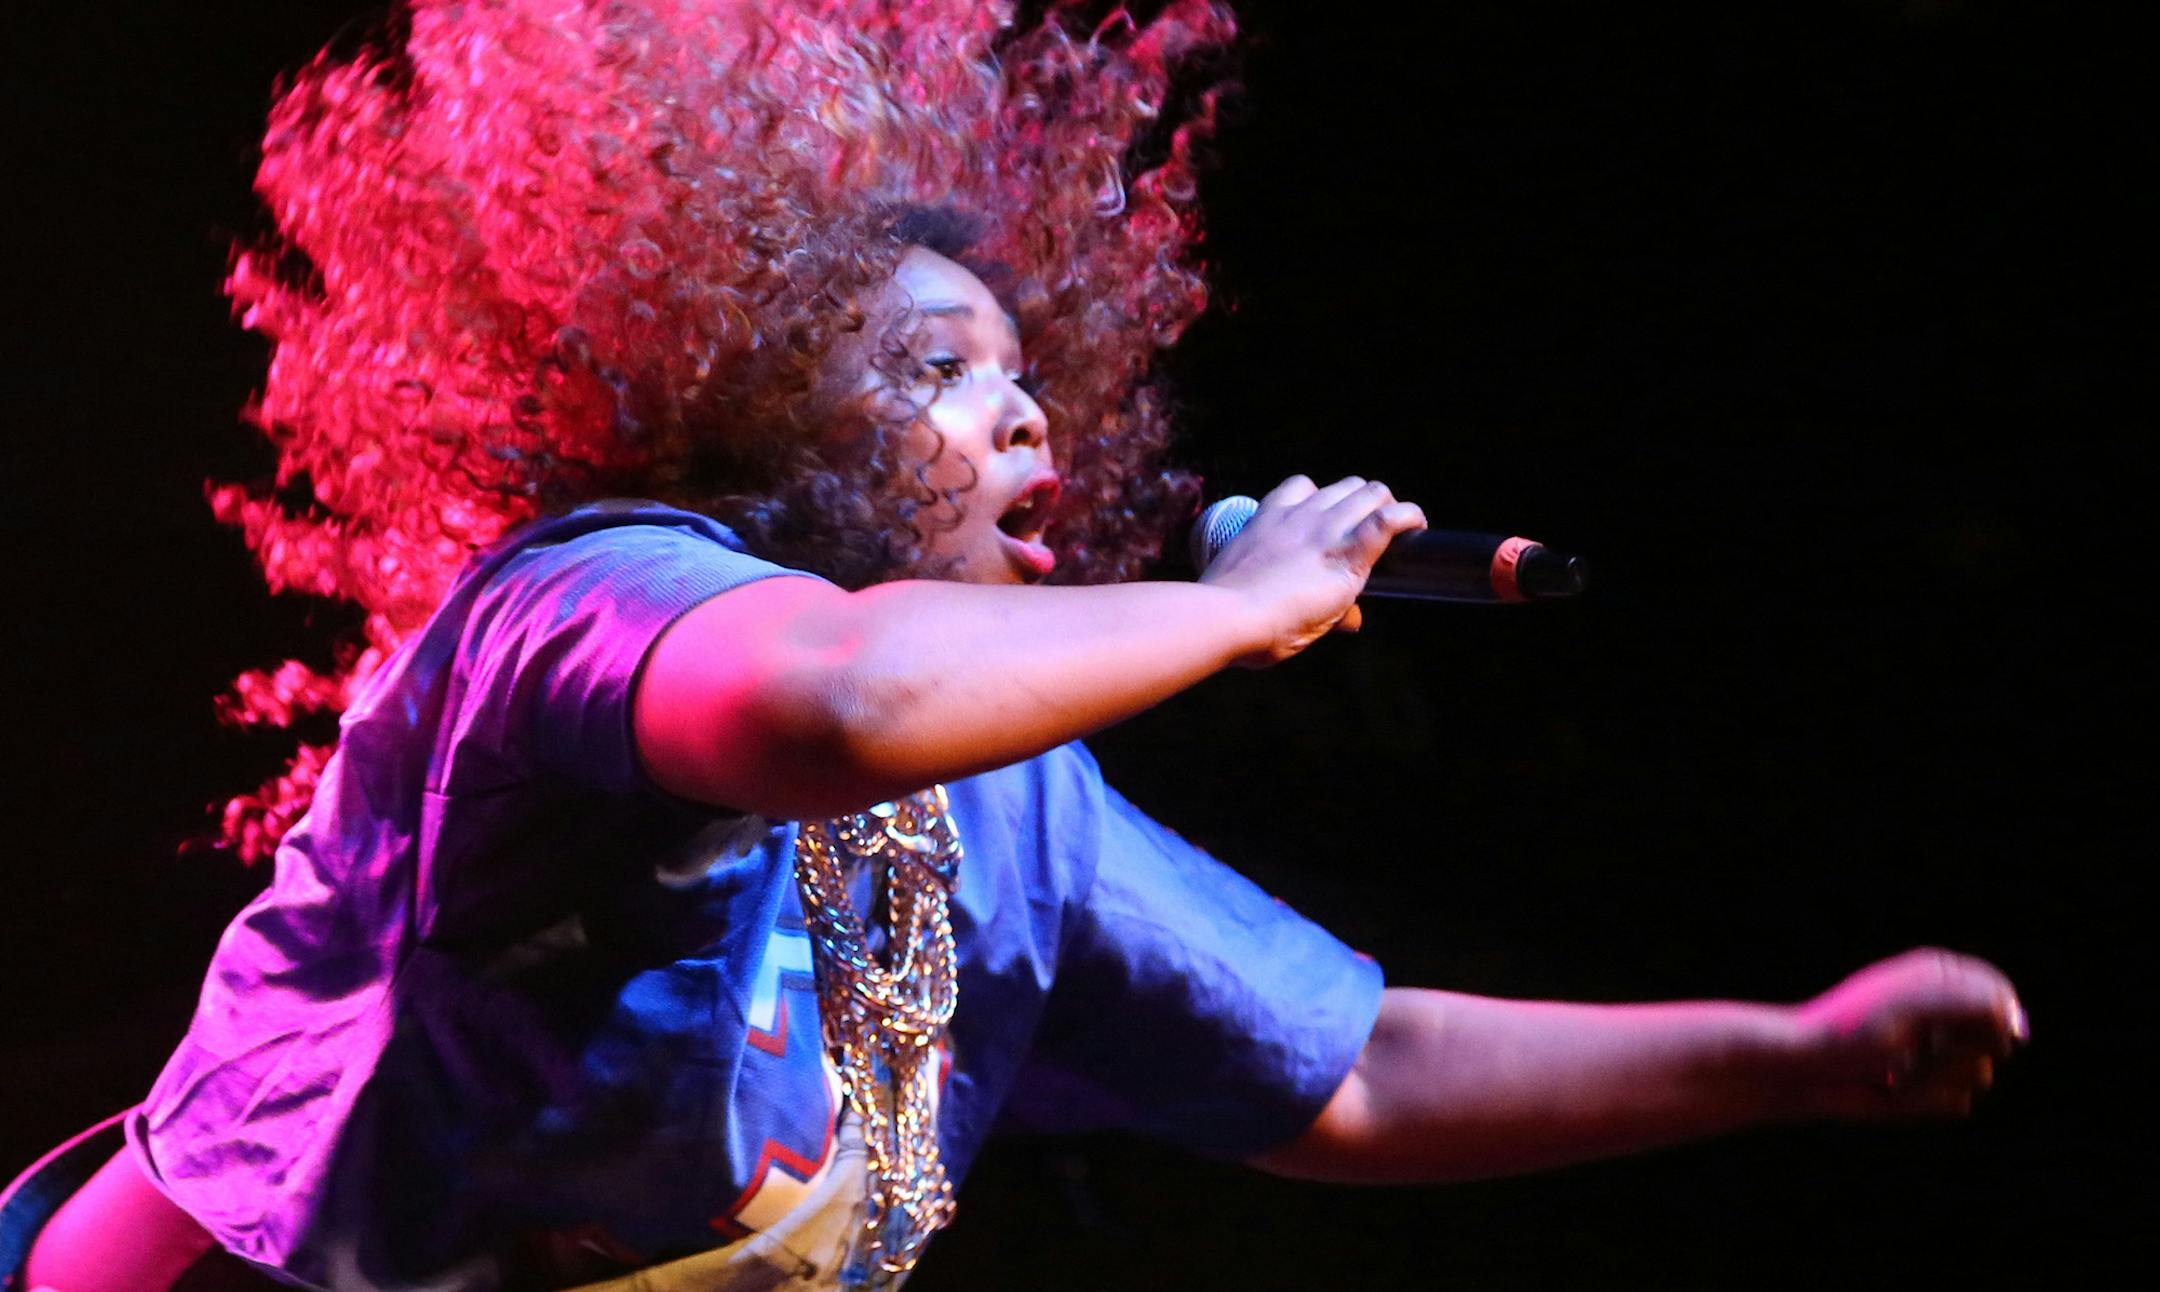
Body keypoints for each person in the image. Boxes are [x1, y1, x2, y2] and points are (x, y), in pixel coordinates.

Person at [22, 3, 2024, 1290]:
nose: (1026, 418)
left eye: (1027, 374)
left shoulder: (1010, 804)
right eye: (929, 370)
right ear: (756, 420)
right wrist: (1242, 612)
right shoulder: (589, 598)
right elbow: (829, 702)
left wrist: (1793, 1057)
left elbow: (1360, 1067)